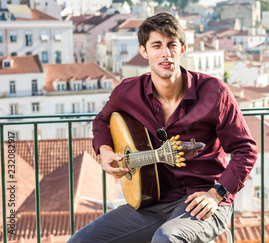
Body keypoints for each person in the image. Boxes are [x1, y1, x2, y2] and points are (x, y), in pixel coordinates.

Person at [68, 13, 258, 243]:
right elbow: (101, 121)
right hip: (152, 202)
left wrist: (216, 194)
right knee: (80, 241)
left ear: (183, 49)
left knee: (167, 239)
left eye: (171, 45)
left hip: (205, 199)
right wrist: (105, 151)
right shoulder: (128, 92)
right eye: (156, 45)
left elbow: (245, 150)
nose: (165, 53)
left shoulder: (215, 92)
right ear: (144, 51)